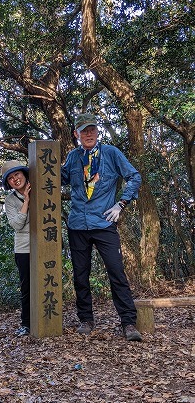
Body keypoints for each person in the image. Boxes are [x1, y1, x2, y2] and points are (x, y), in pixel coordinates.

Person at [61, 113, 142, 341]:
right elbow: (58, 179)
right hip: (77, 225)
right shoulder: (73, 157)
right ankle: (85, 320)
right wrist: (36, 169)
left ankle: (128, 323)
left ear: (98, 132)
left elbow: (134, 177)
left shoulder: (111, 153)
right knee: (80, 275)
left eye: (92, 129)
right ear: (76, 134)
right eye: (83, 130)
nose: (88, 134)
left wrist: (121, 203)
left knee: (116, 272)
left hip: (104, 223)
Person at [1, 160, 31, 337]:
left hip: (45, 243)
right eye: (11, 178)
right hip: (23, 247)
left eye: (17, 174)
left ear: (24, 174)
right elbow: (17, 225)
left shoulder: (42, 188)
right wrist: (27, 200)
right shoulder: (10, 200)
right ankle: (26, 323)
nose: (15, 179)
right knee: (27, 286)